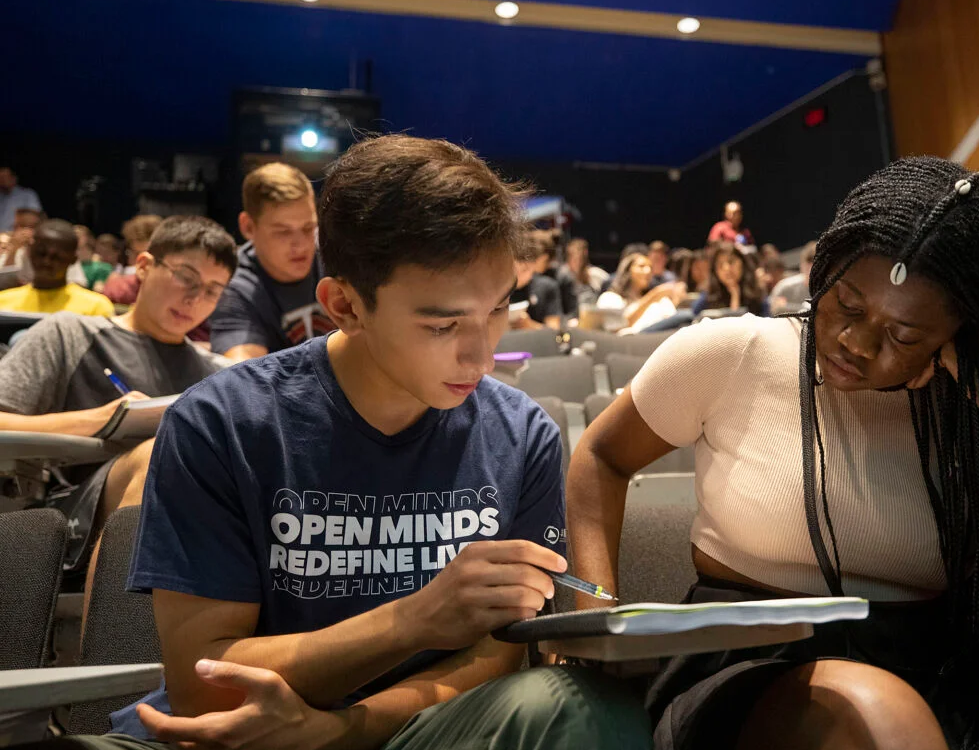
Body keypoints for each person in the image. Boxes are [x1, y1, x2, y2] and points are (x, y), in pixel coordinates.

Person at [31, 135, 650, 750]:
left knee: (587, 709)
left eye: (497, 310)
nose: (482, 353)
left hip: (413, 727)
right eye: (442, 324)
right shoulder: (224, 424)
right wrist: (413, 620)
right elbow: (205, 689)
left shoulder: (521, 433)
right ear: (345, 305)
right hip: (238, 735)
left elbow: (503, 653)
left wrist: (343, 731)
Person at [567, 157, 979, 750]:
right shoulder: (732, 352)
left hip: (947, 660)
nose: (855, 342)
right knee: (877, 713)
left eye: (904, 335)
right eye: (846, 303)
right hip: (755, 665)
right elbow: (601, 456)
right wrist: (594, 604)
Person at [0, 215, 235, 604]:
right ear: (144, 267)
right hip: (68, 509)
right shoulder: (69, 334)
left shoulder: (215, 374)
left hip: (191, 523)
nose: (195, 299)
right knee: (156, 456)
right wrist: (99, 419)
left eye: (212, 290)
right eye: (186, 278)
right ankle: (119, 647)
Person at [208, 162, 333, 361]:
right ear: (248, 227)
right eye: (283, 232)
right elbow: (245, 378)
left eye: (309, 228)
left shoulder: (337, 259)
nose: (300, 245)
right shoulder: (233, 290)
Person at [0, 219, 114, 316]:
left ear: (73, 259)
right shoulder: (3, 303)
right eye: (41, 253)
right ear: (30, 253)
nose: (47, 261)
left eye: (56, 257)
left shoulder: (95, 307)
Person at [597, 251, 685, 333]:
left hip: (661, 339)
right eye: (641, 266)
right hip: (634, 341)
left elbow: (672, 321)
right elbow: (617, 328)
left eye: (650, 267)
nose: (648, 271)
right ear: (628, 271)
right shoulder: (610, 297)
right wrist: (654, 295)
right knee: (686, 316)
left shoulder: (660, 301)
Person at [690, 242, 767, 317]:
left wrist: (735, 295)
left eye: (731, 262)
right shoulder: (708, 296)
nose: (726, 268)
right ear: (715, 271)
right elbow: (694, 318)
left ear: (743, 264)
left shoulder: (757, 295)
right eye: (720, 265)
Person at [103, 215, 166, 304]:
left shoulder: (174, 292)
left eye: (149, 255)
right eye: (136, 254)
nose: (142, 262)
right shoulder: (117, 289)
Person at [511, 232, 563, 330]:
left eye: (524, 270)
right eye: (514, 270)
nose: (519, 275)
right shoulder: (499, 291)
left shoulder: (547, 287)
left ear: (533, 266)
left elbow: (555, 331)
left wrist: (530, 325)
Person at [769, 241, 816, 314]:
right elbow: (774, 310)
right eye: (807, 264)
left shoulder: (831, 289)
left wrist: (787, 306)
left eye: (814, 264)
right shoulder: (784, 287)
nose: (810, 269)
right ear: (801, 264)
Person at [556, 237, 599, 318]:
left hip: (590, 315)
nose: (577, 263)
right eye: (574, 258)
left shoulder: (594, 274)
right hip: (570, 317)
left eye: (580, 259)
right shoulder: (563, 275)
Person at [0, 167, 42, 232]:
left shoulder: (27, 194)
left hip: (18, 234)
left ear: (14, 178)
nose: (2, 181)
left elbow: (34, 216)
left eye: (5, 177)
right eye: (1, 178)